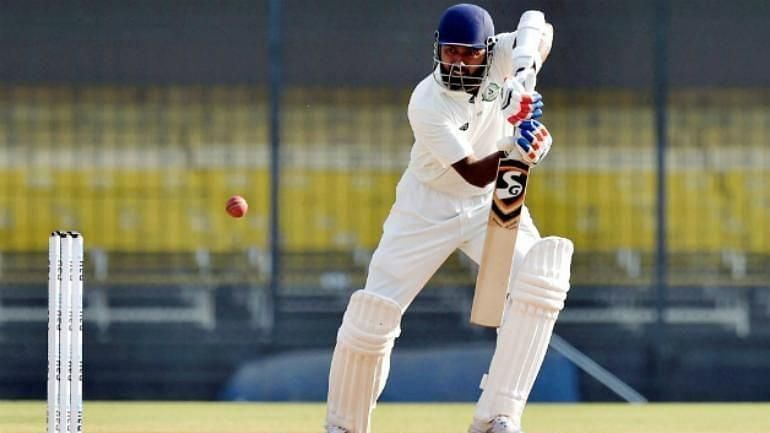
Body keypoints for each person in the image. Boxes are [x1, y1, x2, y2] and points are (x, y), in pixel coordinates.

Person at [324, 4, 572, 433]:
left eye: (467, 54)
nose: (456, 62)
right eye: (450, 52)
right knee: (373, 315)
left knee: (540, 278)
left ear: (488, 50)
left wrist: (522, 74)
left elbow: (538, 22)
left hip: (490, 204)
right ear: (437, 50)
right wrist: (519, 148)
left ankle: (498, 417)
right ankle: (344, 425)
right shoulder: (427, 101)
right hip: (426, 206)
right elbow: (474, 171)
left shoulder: (506, 56)